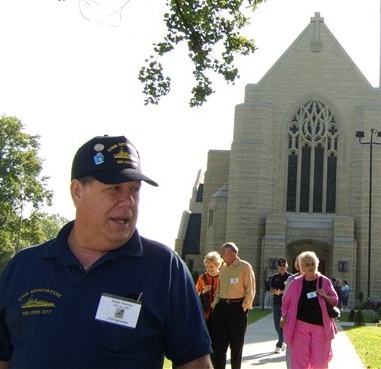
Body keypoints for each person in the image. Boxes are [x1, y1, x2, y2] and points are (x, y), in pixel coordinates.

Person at [0, 135, 212, 369]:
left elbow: (196, 364)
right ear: (77, 191)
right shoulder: (24, 266)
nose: (128, 201)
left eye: (134, 190)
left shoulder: (164, 268)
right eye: (114, 189)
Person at [280, 251, 339, 369]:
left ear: (317, 265)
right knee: (299, 363)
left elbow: (335, 300)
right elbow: (285, 303)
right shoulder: (295, 283)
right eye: (307, 264)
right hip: (299, 328)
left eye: (312, 264)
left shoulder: (324, 281)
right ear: (301, 267)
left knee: (319, 362)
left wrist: (325, 296)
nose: (310, 267)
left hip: (320, 328)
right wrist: (285, 316)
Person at [211, 242, 256, 369]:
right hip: (222, 308)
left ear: (232, 253)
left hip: (237, 308)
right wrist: (215, 304)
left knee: (236, 345)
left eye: (224, 253)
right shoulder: (223, 269)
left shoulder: (245, 267)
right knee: (218, 345)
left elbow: (250, 290)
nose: (222, 256)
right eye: (222, 253)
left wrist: (244, 307)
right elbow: (219, 290)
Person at [196, 250, 223, 365]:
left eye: (211, 266)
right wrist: (203, 291)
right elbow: (194, 294)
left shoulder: (222, 277)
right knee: (206, 341)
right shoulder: (202, 278)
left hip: (220, 313)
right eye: (207, 266)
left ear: (217, 265)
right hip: (206, 314)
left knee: (218, 343)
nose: (209, 268)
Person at [269, 257, 292, 353]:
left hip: (287, 304)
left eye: (284, 265)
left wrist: (283, 292)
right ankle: (283, 340)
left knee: (285, 323)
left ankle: (280, 342)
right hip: (277, 303)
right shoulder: (274, 277)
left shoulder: (290, 277)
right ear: (277, 267)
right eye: (280, 265)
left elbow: (292, 290)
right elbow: (270, 288)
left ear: (287, 266)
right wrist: (273, 291)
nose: (282, 267)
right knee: (276, 323)